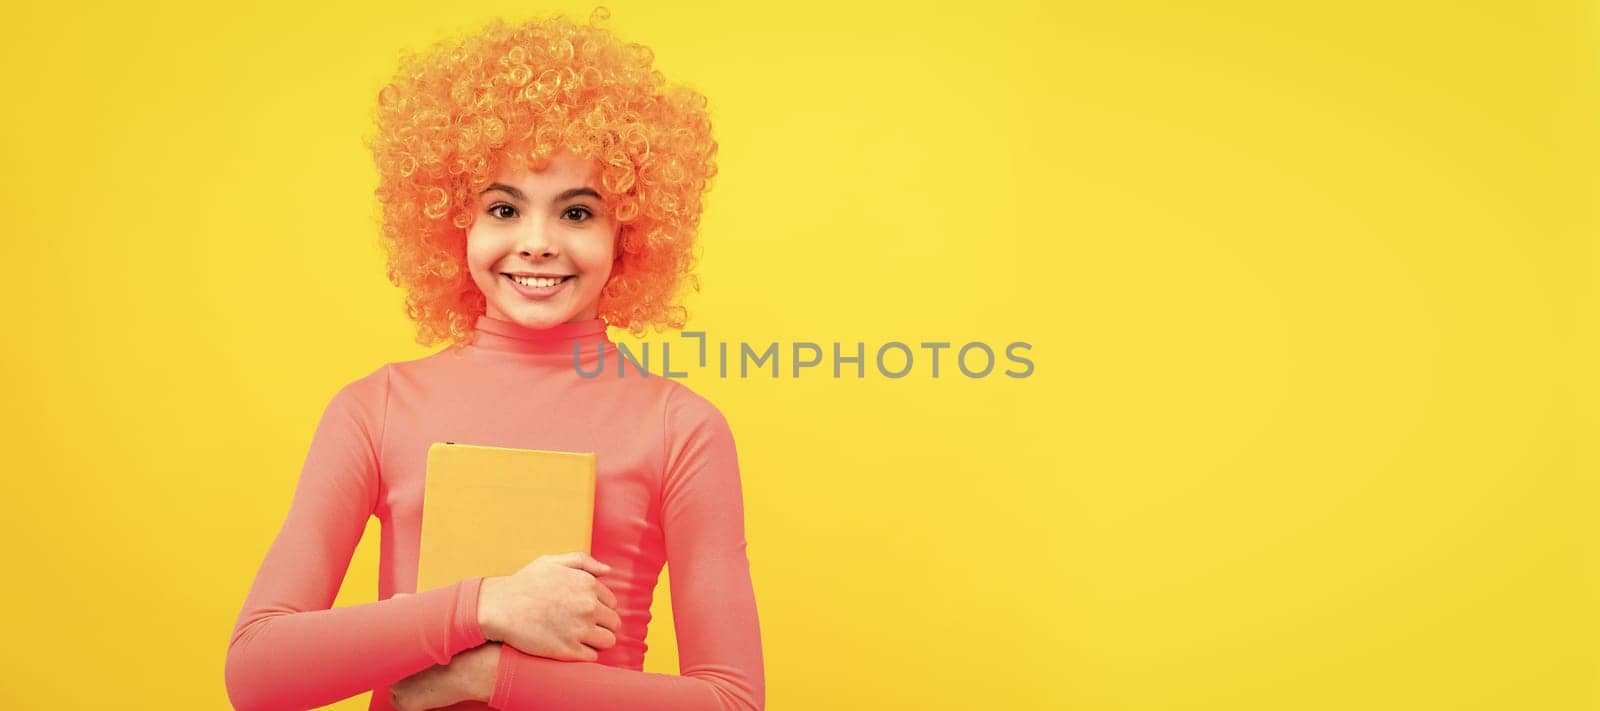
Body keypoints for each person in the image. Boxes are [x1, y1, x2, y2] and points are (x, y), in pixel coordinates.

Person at [224, 10, 763, 711]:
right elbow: (258, 674)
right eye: (504, 209)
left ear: (628, 232)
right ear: (454, 222)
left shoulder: (681, 428)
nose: (537, 242)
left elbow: (732, 701)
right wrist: (484, 606)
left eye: (576, 213)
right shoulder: (376, 408)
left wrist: (490, 679)